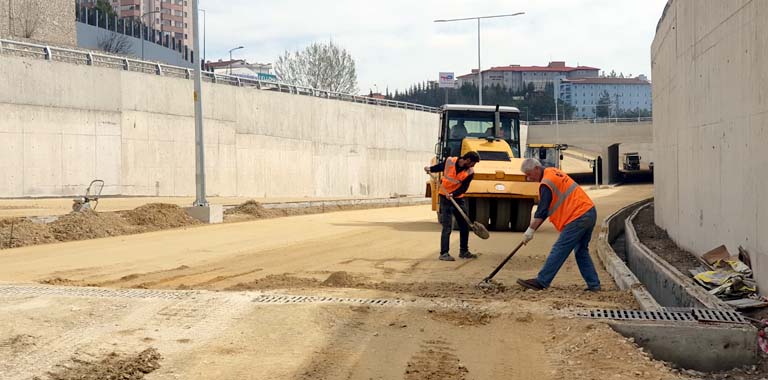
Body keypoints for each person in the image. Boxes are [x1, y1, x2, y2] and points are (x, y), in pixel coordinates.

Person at [516, 158, 601, 291]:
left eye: (529, 174)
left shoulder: (546, 183)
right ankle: (594, 284)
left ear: (537, 169)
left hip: (578, 216)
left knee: (560, 248)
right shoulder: (552, 171)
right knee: (581, 251)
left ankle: (542, 281)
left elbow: (542, 211)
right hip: (588, 211)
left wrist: (530, 230)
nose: (528, 178)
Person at [424, 151, 481, 261]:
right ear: (468, 160)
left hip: (458, 199)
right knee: (447, 226)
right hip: (444, 197)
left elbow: (464, 188)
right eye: (473, 163)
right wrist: (430, 169)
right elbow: (441, 167)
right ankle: (444, 253)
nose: (473, 166)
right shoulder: (450, 161)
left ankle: (464, 251)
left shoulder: (470, 172)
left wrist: (453, 194)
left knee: (464, 225)